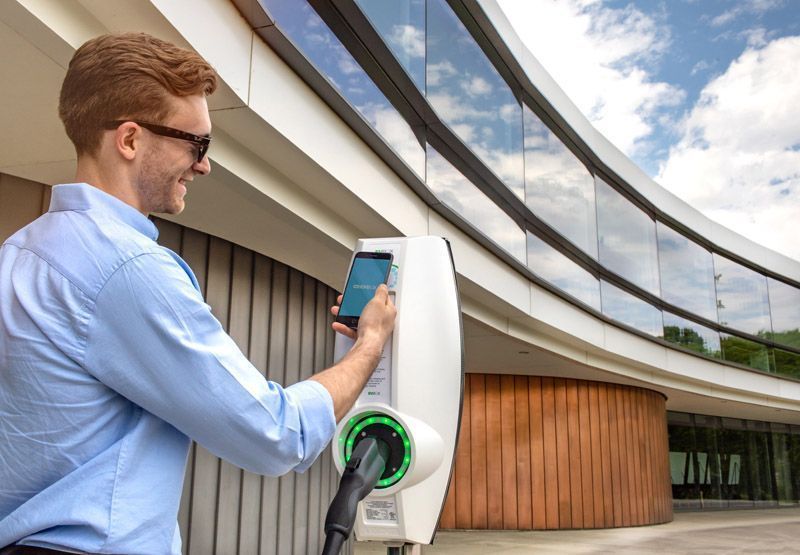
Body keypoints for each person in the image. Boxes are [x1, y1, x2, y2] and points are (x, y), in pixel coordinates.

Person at [0, 32, 396, 555]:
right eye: (197, 143)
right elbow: (275, 434)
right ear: (130, 140)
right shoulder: (130, 267)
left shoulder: (19, 253)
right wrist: (370, 344)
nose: (204, 164)